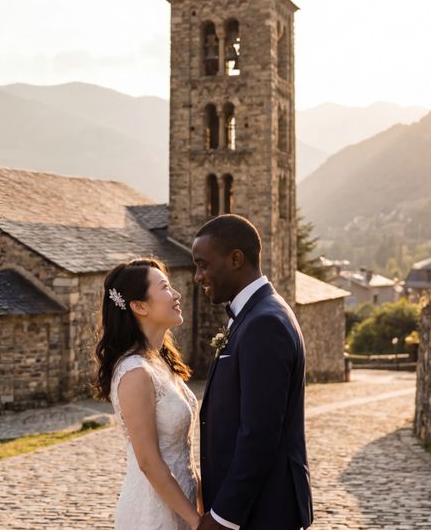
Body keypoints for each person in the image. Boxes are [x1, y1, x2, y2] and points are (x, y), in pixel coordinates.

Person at [191, 214, 314, 530]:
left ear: (235, 259)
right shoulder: (252, 314)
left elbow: (259, 433)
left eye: (203, 265)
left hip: (263, 512)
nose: (197, 276)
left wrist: (223, 517)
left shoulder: (265, 323)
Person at [92, 257, 203, 529]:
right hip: (153, 514)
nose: (176, 294)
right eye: (165, 287)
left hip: (183, 504)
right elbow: (149, 462)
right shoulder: (135, 373)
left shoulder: (161, 362)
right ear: (139, 306)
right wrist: (197, 522)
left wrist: (204, 506)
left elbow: (184, 453)